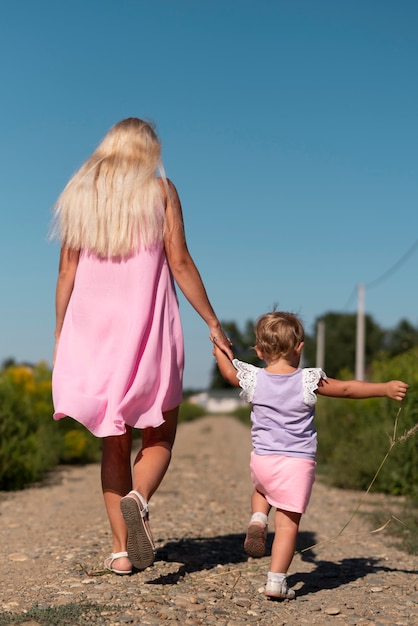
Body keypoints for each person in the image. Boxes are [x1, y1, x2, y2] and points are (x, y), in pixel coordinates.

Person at [51, 117, 233, 576]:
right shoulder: (162, 191)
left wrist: (61, 335)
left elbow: (66, 275)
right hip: (148, 329)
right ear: (148, 152)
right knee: (160, 434)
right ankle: (140, 498)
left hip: (92, 332)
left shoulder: (80, 197)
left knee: (113, 443)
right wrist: (213, 322)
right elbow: (181, 261)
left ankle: (120, 552)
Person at [212, 310, 408, 600]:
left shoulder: (254, 379)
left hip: (263, 459)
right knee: (288, 524)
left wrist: (219, 346)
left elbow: (229, 374)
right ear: (299, 348)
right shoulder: (308, 380)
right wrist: (384, 388)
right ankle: (276, 582)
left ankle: (257, 519)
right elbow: (347, 389)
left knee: (262, 491)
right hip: (297, 463)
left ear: (259, 351)